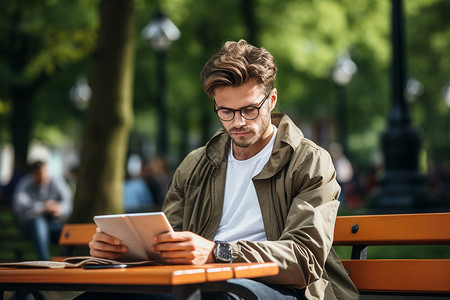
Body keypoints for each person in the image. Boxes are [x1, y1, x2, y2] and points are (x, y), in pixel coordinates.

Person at [80, 40, 358, 299]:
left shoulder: (309, 161)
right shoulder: (195, 165)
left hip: (282, 288)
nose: (238, 122)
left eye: (249, 109)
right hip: (202, 283)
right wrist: (119, 251)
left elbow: (303, 259)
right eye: (226, 111)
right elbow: (165, 243)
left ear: (271, 100)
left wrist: (219, 252)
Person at [12, 160, 73, 261]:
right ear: (32, 174)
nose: (42, 177)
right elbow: (19, 205)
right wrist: (43, 207)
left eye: (43, 173)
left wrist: (59, 209)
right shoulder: (25, 183)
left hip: (52, 223)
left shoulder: (56, 181)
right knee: (38, 223)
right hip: (31, 225)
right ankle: (45, 262)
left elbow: (67, 201)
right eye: (38, 175)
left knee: (71, 234)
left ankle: (66, 262)